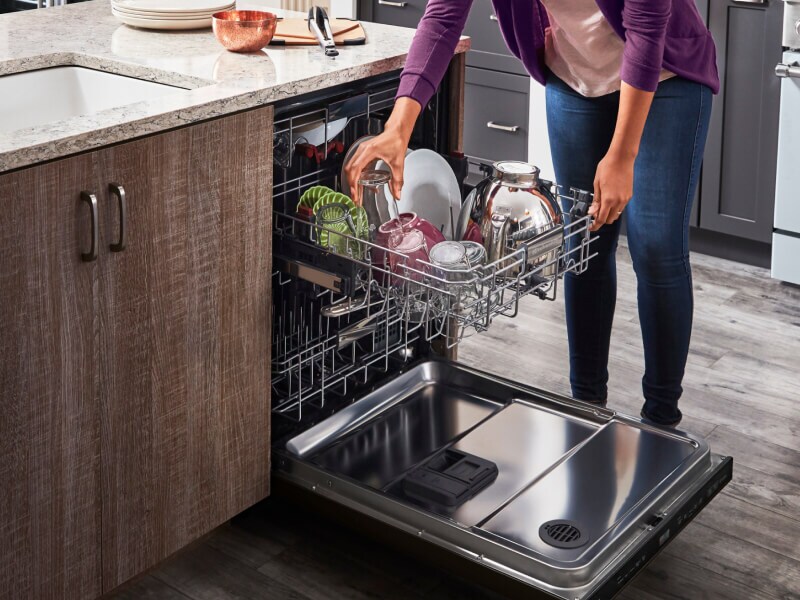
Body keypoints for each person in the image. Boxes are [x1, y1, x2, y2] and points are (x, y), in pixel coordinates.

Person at [345, 0, 718, 427]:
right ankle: (586, 408)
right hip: (575, 75)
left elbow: (648, 29)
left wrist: (622, 155)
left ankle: (661, 420)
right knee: (585, 242)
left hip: (667, 75)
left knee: (656, 247)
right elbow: (444, 16)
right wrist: (398, 127)